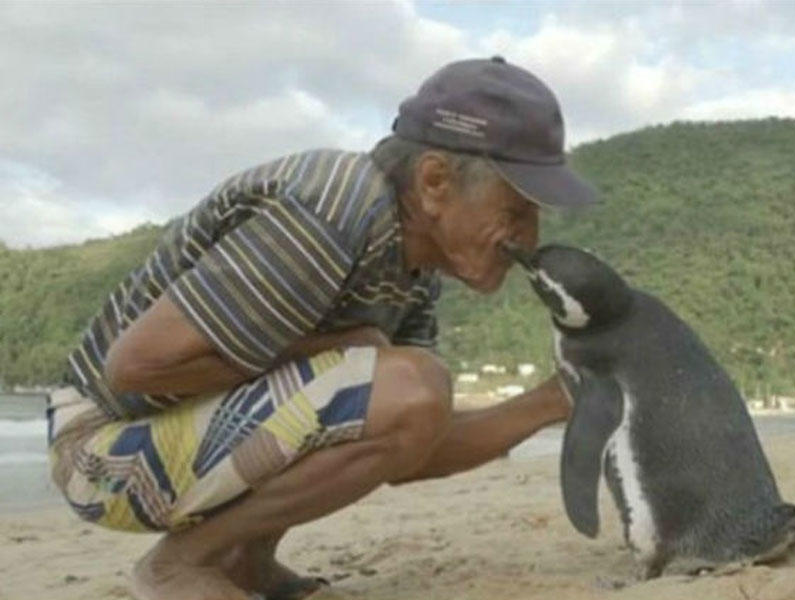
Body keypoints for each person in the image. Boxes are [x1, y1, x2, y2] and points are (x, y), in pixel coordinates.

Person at [47, 56, 597, 600]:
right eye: (517, 208)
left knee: (411, 389)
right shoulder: (331, 210)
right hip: (99, 451)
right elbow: (134, 367)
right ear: (434, 182)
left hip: (166, 442)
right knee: (410, 382)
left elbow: (409, 443)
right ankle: (181, 565)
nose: (529, 235)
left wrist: (554, 399)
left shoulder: (412, 270)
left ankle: (246, 562)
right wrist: (339, 346)